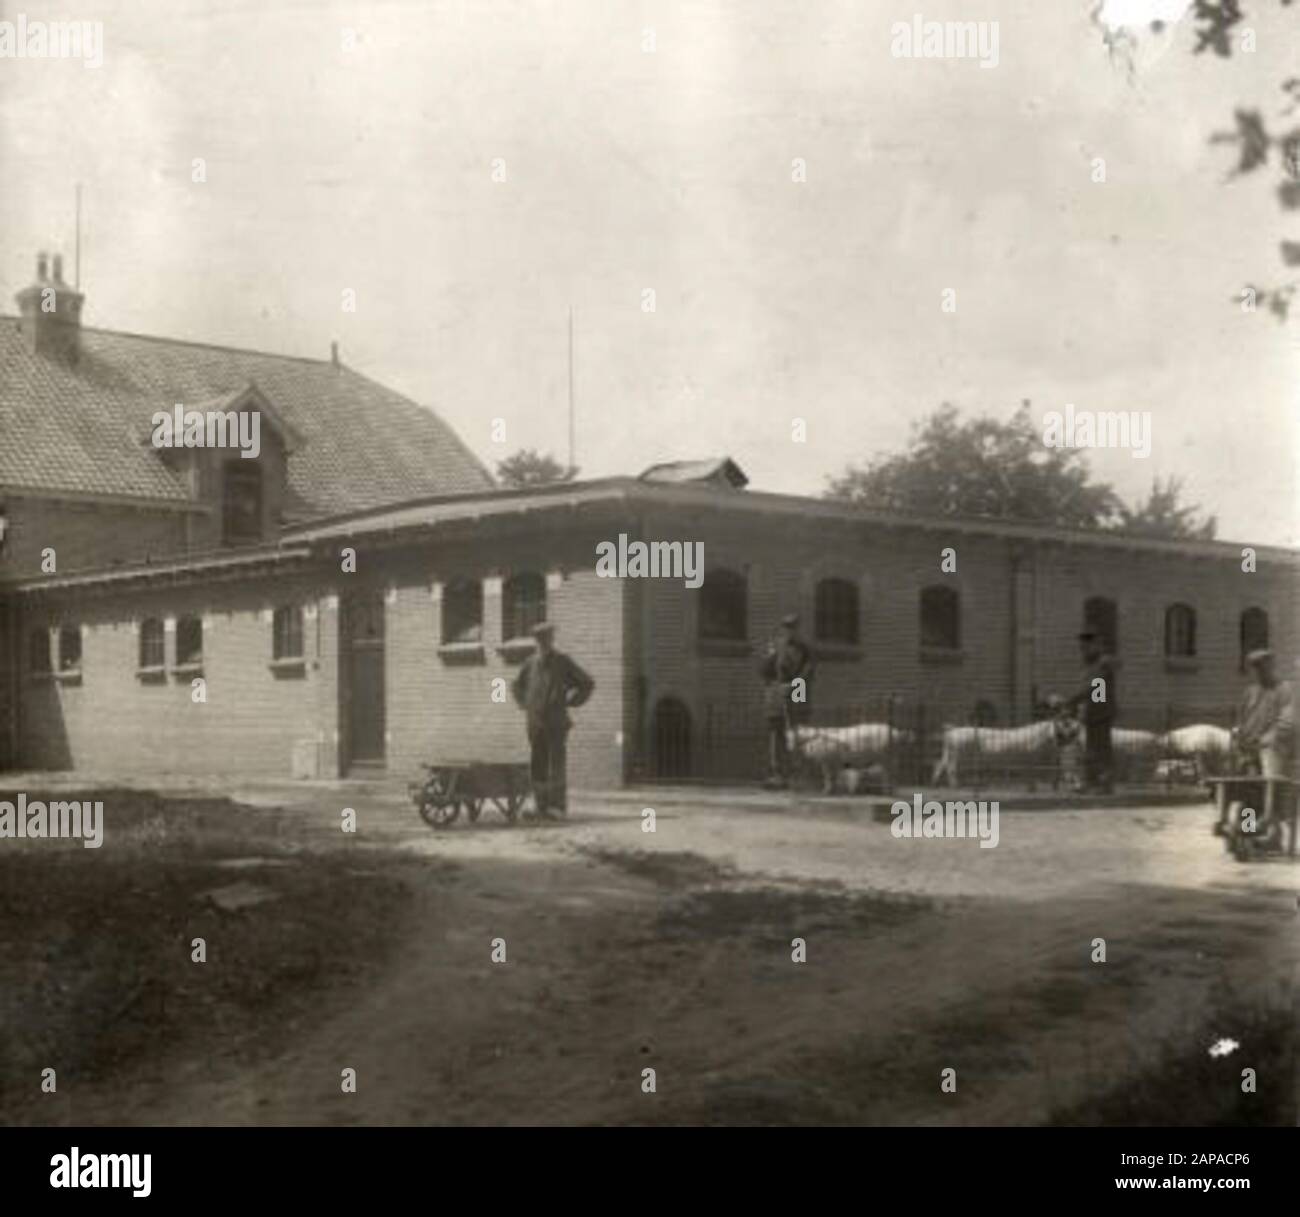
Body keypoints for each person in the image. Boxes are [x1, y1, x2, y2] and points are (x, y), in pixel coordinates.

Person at [511, 622, 594, 818]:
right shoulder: (530, 663)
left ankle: (557, 807)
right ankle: (540, 806)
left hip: (556, 722)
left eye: (546, 639)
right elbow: (516, 686)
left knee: (556, 764)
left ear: (552, 640)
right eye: (539, 640)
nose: (543, 643)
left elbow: (587, 683)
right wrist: (525, 704)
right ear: (535, 641)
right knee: (538, 764)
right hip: (535, 723)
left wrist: (572, 701)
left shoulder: (563, 662)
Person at [758, 613, 815, 789]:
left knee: (797, 731)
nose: (790, 631)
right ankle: (777, 773)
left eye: (793, 628)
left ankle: (798, 773)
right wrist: (770, 657)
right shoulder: (776, 647)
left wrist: (793, 686)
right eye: (787, 628)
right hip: (776, 694)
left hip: (798, 692)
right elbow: (764, 672)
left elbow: (808, 672)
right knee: (776, 734)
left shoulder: (805, 650)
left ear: (798, 629)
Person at [1067, 630, 1118, 794]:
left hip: (1100, 713)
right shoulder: (1091, 665)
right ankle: (1091, 782)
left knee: (1100, 749)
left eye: (1086, 647)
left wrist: (1073, 700)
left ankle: (1103, 783)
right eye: (1082, 647)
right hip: (1093, 712)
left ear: (1096, 646)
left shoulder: (1102, 664)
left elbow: (1097, 690)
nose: (1083, 650)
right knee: (1090, 749)